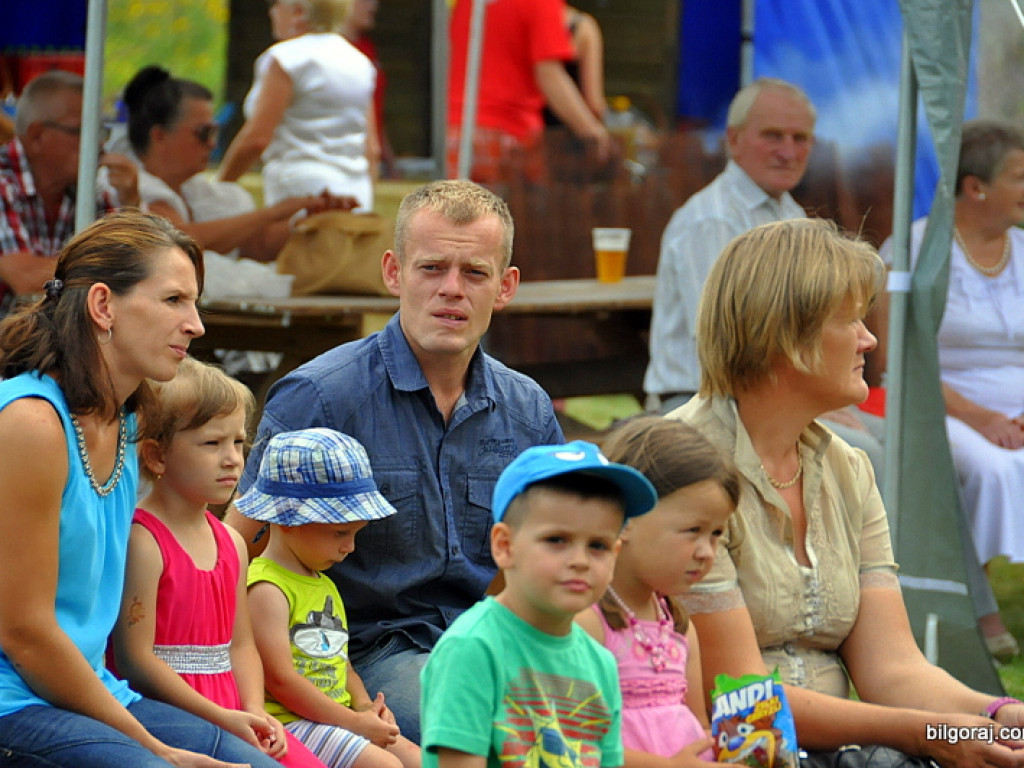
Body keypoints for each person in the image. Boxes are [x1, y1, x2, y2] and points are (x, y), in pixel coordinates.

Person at [670, 217, 1024, 768]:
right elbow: (739, 701)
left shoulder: (847, 467)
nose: (870, 338)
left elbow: (892, 669)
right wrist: (934, 735)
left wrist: (1001, 714)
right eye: (851, 320)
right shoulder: (685, 468)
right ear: (786, 334)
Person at [224, 179, 564, 743]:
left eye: (474, 273)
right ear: (393, 272)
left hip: (498, 639)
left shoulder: (528, 410)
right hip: (364, 655)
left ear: (505, 287)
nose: (451, 289)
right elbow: (237, 545)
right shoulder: (321, 397)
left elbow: (556, 547)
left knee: (598, 720)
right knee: (491, 728)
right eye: (431, 268)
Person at [0, 210, 279, 767]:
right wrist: (158, 750)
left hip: (92, 689)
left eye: (194, 303)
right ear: (103, 306)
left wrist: (217, 718)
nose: (196, 324)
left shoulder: (129, 422)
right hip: (15, 703)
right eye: (174, 300)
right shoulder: (30, 424)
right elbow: (24, 633)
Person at [643, 78, 885, 481]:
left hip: (776, 394)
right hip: (705, 399)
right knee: (865, 450)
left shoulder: (789, 214)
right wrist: (818, 403)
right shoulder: (713, 219)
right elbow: (727, 344)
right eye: (773, 136)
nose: (788, 151)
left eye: (800, 138)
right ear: (733, 140)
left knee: (896, 439)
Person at [110, 356, 327, 768]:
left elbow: (240, 644)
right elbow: (135, 661)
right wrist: (223, 718)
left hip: (234, 706)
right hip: (170, 711)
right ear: (156, 456)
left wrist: (255, 710)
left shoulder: (231, 540)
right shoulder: (144, 541)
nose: (232, 459)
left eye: (238, 443)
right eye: (212, 443)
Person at [877, 119, 1024, 662]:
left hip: (1017, 406)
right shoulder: (917, 249)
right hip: (940, 403)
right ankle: (975, 607)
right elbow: (893, 357)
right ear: (975, 186)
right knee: (989, 466)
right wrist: (980, 416)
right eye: (1021, 177)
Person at [420, 439, 659, 768]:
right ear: (505, 546)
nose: (580, 560)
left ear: (616, 554)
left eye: (598, 545)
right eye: (556, 540)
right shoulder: (472, 647)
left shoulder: (601, 663)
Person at [238, 428, 420, 768]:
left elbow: (342, 661)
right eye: (340, 532)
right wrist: (352, 723)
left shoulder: (323, 582)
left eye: (355, 534)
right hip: (292, 722)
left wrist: (367, 709)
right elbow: (280, 680)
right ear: (288, 518)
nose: (349, 547)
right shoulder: (266, 587)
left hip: (338, 716)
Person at [575, 416, 739, 768]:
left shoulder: (678, 626)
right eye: (693, 530)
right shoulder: (586, 623)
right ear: (626, 519)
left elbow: (698, 728)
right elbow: (574, 747)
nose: (706, 552)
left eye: (716, 534)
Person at [123, 65, 354, 274]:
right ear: (159, 136)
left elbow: (256, 245)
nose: (212, 144)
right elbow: (177, 242)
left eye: (215, 132)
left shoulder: (199, 192)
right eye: (203, 133)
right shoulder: (127, 186)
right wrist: (273, 212)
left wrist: (310, 221)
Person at [218, 0, 379, 211]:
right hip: (357, 194)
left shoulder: (286, 58)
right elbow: (372, 148)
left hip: (300, 193)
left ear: (299, 12)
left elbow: (256, 140)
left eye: (277, 5)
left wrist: (220, 186)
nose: (272, 12)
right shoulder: (360, 63)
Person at [0, 70, 140, 308]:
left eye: (100, 131)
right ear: (37, 136)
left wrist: (130, 205)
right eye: (84, 132)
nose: (98, 144)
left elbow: (136, 266)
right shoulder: (4, 181)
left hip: (47, 337)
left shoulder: (86, 189)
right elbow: (25, 280)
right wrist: (107, 263)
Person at [446, 0, 611, 184]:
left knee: (456, 210)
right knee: (512, 211)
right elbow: (549, 75)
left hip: (454, 135)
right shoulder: (545, 5)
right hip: (510, 136)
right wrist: (592, 132)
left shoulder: (469, 4)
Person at [340, 0, 395, 180]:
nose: (373, 5)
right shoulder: (327, 52)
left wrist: (390, 163)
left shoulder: (367, 48)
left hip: (371, 161)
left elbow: (375, 111)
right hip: (344, 163)